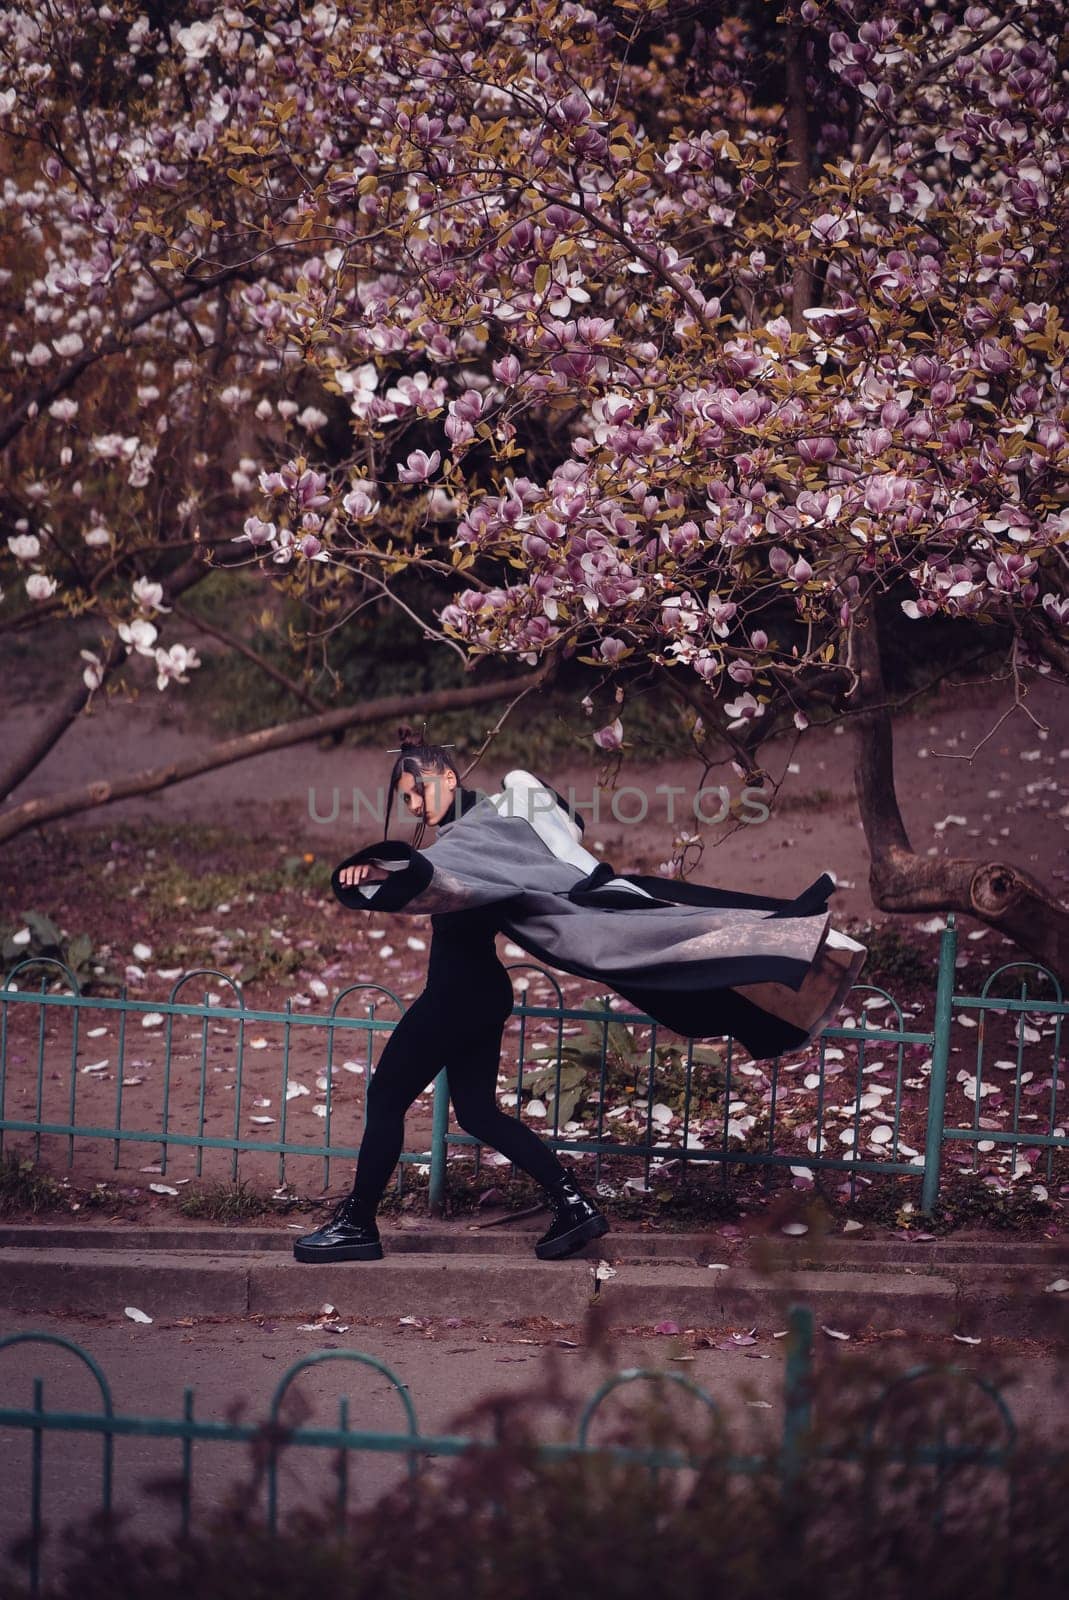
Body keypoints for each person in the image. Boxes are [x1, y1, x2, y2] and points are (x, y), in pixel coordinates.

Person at [293, 732, 610, 1266]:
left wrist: (378, 871)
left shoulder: (479, 830)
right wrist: (388, 870)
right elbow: (436, 874)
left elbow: (432, 875)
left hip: (459, 995)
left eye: (415, 795)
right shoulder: (477, 831)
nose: (413, 806)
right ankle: (573, 1203)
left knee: (386, 1095)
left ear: (446, 777)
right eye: (407, 801)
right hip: (479, 991)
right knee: (479, 1113)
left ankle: (357, 1224)